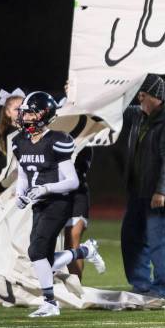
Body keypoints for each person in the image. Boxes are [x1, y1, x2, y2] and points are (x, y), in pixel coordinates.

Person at [13, 91, 106, 318]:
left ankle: (50, 303)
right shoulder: (19, 142)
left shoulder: (57, 140)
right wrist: (20, 195)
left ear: (43, 115)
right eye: (24, 113)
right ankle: (85, 251)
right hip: (38, 204)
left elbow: (72, 181)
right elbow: (24, 175)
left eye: (30, 113)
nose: (24, 117)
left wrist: (45, 188)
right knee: (42, 257)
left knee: (35, 252)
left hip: (58, 203)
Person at [118, 75, 165, 299]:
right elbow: (111, 111)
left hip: (158, 193)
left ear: (155, 97)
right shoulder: (139, 115)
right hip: (138, 189)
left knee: (159, 241)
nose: (139, 98)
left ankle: (159, 289)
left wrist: (162, 191)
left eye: (143, 95)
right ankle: (140, 284)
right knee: (130, 237)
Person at [60, 82, 94, 278]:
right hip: (55, 192)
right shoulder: (57, 115)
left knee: (72, 238)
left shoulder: (88, 118)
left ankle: (75, 287)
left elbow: (85, 159)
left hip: (77, 191)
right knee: (56, 242)